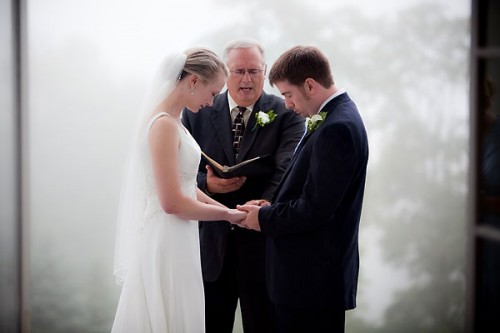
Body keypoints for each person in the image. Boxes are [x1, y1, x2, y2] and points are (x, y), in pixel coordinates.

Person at [111, 47, 246, 333]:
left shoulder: (177, 124)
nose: (212, 102)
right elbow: (172, 202)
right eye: (213, 92)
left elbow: (185, 184)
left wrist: (229, 211)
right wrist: (226, 217)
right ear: (193, 81)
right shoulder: (163, 126)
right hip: (166, 235)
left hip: (180, 234)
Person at [237, 45, 369, 333]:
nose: (286, 104)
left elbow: (316, 209)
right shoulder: (336, 116)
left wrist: (262, 219)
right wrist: (270, 207)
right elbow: (311, 192)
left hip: (311, 284)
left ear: (309, 85)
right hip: (308, 284)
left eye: (288, 94)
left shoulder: (337, 128)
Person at [182, 39, 304, 333]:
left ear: (264, 71)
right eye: (238, 71)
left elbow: (288, 167)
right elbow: (180, 171)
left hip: (263, 249)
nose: (246, 80)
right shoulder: (197, 109)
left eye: (254, 71)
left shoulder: (287, 112)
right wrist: (207, 184)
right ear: (225, 72)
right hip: (210, 250)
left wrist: (264, 203)